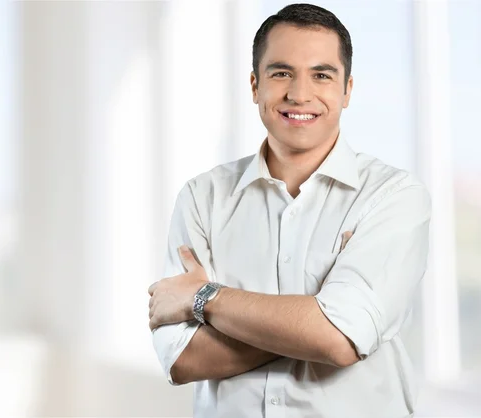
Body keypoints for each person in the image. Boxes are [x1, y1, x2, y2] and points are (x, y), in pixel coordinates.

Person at [148, 3, 430, 418]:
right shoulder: (202, 198)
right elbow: (184, 359)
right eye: (281, 73)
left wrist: (203, 297)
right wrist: (312, 320)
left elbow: (339, 339)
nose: (299, 94)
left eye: (321, 74)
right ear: (254, 85)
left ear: (347, 89)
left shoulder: (393, 195)